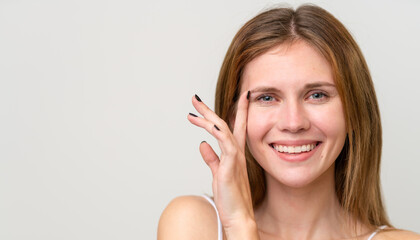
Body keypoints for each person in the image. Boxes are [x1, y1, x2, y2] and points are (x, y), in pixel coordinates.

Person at [158, 4, 420, 240]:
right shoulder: (192, 223)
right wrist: (238, 222)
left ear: (354, 111)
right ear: (234, 118)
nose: (293, 123)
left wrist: (242, 230)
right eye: (267, 97)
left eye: (317, 95)